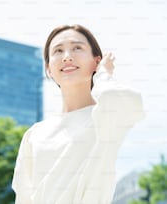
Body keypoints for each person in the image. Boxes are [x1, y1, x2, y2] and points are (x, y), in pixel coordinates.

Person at [12, 24, 145, 204]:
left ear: (96, 62)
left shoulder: (105, 116)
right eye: (58, 51)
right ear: (49, 69)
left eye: (77, 48)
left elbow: (127, 101)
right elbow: (23, 198)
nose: (67, 57)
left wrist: (103, 75)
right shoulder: (34, 134)